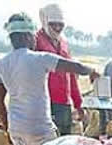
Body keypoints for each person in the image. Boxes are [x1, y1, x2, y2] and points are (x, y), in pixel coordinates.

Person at [0, 12, 100, 145]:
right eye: (33, 35)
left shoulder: (2, 64)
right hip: (40, 127)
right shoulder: (40, 58)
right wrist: (92, 71)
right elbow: (74, 67)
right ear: (27, 37)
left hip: (17, 129)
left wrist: (8, 127)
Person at [34, 3, 83, 136]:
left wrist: (78, 103)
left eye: (60, 25)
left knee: (63, 143)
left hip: (63, 103)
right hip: (44, 103)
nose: (57, 28)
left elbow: (71, 75)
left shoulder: (64, 43)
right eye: (53, 24)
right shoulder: (36, 41)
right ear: (45, 21)